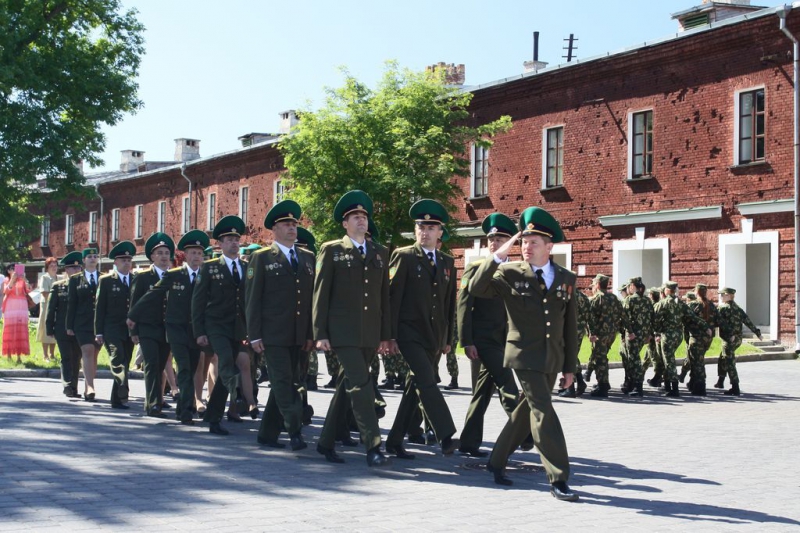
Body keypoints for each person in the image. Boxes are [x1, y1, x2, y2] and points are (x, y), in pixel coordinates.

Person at [470, 206, 579, 502]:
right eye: (524, 242)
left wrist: (570, 367)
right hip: (523, 355)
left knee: (525, 412)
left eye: (533, 242)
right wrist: (498, 256)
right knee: (543, 410)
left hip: (552, 356)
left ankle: (496, 461)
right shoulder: (509, 272)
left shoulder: (566, 278)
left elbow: (570, 327)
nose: (526, 247)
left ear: (549, 246)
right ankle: (558, 477)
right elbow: (476, 287)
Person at [313, 190, 391, 467]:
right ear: (345, 224)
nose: (361, 220)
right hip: (342, 332)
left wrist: (386, 335)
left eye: (364, 216)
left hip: (370, 332)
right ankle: (373, 445)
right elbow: (320, 294)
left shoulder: (380, 252)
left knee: (347, 385)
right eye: (355, 216)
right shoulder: (332, 250)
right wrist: (320, 333)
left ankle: (325, 442)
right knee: (361, 384)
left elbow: (384, 297)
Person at [385, 199, 459, 459]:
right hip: (409, 333)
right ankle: (445, 433)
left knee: (414, 387)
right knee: (427, 380)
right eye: (421, 227)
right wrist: (389, 335)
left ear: (440, 232)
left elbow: (449, 305)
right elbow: (392, 298)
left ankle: (394, 441)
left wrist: (447, 339)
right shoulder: (404, 256)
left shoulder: (447, 262)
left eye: (431, 228)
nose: (425, 232)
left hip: (434, 335)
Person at [245, 202, 313, 450]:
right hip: (272, 334)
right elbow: (252, 299)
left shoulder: (307, 257)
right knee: (284, 382)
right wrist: (254, 335)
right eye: (286, 224)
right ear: (274, 229)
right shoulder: (261, 258)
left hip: (299, 334)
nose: (292, 228)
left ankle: (267, 434)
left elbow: (310, 300)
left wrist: (311, 333)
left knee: (286, 382)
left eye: (294, 224)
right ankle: (295, 429)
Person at [457, 213, 523, 457]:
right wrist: (467, 341)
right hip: (483, 341)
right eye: (491, 239)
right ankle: (525, 433)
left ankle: (468, 443)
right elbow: (464, 305)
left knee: (482, 393)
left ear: (510, 243)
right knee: (507, 384)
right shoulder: (477, 268)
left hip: (505, 340)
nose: (495, 243)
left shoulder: (515, 271)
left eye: (500, 239)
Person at [130, 230, 210, 424]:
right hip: (174, 330)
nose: (196, 257)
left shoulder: (207, 275)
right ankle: (182, 409)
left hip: (195, 331)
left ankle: (182, 407)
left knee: (191, 368)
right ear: (185, 255)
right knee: (181, 368)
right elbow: (152, 294)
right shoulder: (175, 275)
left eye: (200, 253)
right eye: (193, 253)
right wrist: (133, 316)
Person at [193, 216, 250, 436]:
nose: (234, 243)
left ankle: (214, 416)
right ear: (220, 244)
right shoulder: (209, 267)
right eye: (229, 240)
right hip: (216, 325)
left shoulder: (247, 267)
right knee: (225, 362)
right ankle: (237, 396)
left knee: (227, 368)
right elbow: (198, 301)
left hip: (238, 326)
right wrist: (199, 331)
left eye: (236, 239)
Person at [127, 233, 175, 417]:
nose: (164, 256)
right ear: (152, 257)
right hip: (148, 328)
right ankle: (153, 404)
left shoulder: (175, 276)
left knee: (160, 364)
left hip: (167, 329)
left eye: (166, 253)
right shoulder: (143, 277)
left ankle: (156, 400)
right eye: (160, 253)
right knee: (151, 364)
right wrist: (133, 331)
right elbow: (134, 304)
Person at [95, 241, 136, 409]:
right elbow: (99, 308)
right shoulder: (106, 281)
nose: (126, 263)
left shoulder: (135, 280)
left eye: (129, 260)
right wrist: (98, 332)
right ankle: (123, 384)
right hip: (111, 327)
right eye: (123, 260)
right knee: (117, 356)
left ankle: (117, 399)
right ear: (116, 262)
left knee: (125, 360)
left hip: (129, 329)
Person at [652, 281, 711, 397]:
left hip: (667, 336)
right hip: (678, 336)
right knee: (668, 359)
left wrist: (656, 333)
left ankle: (674, 389)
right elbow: (692, 317)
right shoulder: (680, 303)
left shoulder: (662, 303)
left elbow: (655, 320)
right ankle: (668, 386)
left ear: (667, 290)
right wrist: (705, 326)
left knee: (669, 361)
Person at [587, 274, 632, 397]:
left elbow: (590, 318)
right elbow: (623, 316)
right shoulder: (614, 298)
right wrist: (630, 331)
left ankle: (603, 386)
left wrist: (591, 333)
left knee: (600, 359)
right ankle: (603, 383)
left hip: (600, 334)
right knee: (602, 357)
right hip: (611, 334)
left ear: (597, 284)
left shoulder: (596, 298)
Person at [46, 252, 84, 397]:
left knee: (76, 358)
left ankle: (74, 387)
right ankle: (67, 384)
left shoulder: (84, 286)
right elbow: (51, 309)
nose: (76, 270)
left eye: (78, 268)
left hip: (79, 328)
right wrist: (49, 328)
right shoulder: (58, 286)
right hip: (62, 328)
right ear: (66, 270)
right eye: (73, 268)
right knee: (66, 357)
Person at [66, 248, 101, 400]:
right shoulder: (76, 279)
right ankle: (91, 387)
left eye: (95, 256)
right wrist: (69, 325)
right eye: (89, 257)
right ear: (84, 260)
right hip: (82, 323)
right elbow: (72, 303)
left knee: (94, 355)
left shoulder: (104, 278)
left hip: (99, 323)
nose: (93, 259)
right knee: (87, 351)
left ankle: (88, 386)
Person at [716, 287, 762, 396]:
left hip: (729, 339)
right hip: (738, 339)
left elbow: (716, 321)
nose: (721, 297)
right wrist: (757, 333)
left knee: (729, 362)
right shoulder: (738, 309)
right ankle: (720, 381)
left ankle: (735, 387)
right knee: (722, 358)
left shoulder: (723, 308)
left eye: (722, 295)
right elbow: (747, 321)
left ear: (728, 295)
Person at [681, 283, 719, 396]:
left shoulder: (693, 305)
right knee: (697, 360)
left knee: (698, 363)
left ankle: (700, 387)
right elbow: (718, 320)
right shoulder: (711, 305)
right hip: (708, 338)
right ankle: (693, 383)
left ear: (696, 292)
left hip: (696, 338)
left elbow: (685, 320)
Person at [620, 277, 653, 397]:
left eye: (629, 286)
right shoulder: (647, 300)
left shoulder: (630, 300)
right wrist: (650, 334)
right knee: (633, 359)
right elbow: (652, 318)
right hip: (643, 334)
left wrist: (629, 332)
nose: (628, 288)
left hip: (632, 335)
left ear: (633, 286)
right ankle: (630, 385)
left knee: (634, 361)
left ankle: (638, 387)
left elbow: (624, 318)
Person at [2, 263, 32, 363]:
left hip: (21, 307)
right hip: (10, 307)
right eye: (12, 269)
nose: (14, 270)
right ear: (8, 271)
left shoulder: (22, 280)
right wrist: (12, 280)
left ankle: (19, 356)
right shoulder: (6, 280)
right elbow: (6, 291)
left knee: (20, 330)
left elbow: (29, 290)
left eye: (16, 268)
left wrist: (25, 279)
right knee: (9, 330)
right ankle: (9, 355)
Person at [36, 257, 59, 361]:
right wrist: (56, 298)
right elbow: (44, 293)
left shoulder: (59, 278)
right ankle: (45, 355)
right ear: (47, 267)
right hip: (46, 306)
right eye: (51, 266)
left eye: (55, 265)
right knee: (45, 329)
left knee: (55, 329)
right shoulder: (44, 278)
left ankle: (52, 354)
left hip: (57, 307)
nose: (54, 268)